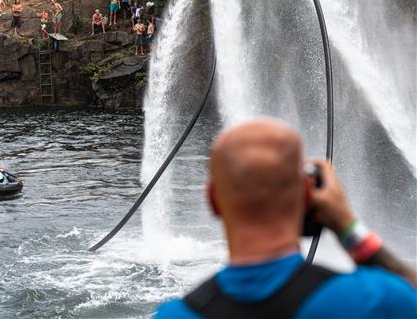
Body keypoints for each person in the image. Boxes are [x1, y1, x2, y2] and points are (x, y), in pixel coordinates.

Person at [153, 119, 417, 318]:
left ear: (212, 199)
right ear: (309, 194)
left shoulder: (173, 315)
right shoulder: (372, 301)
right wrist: (347, 226)